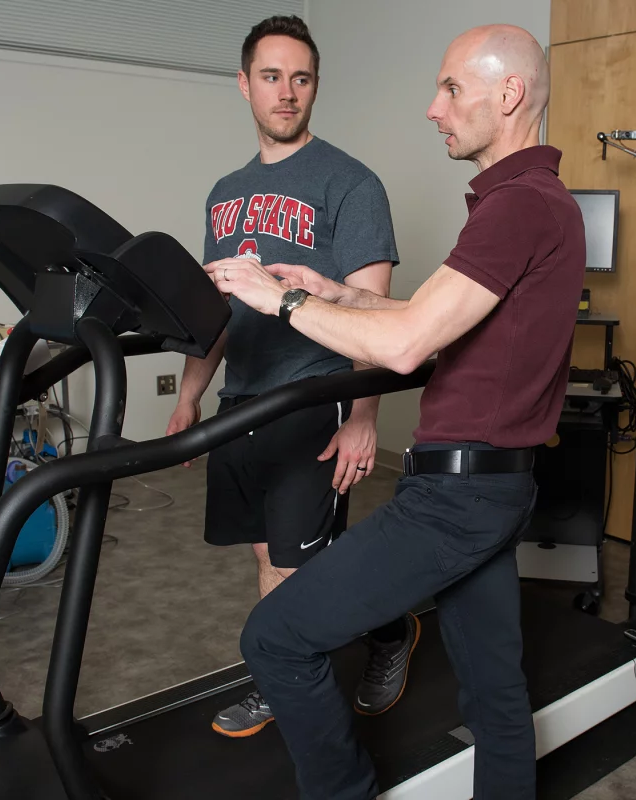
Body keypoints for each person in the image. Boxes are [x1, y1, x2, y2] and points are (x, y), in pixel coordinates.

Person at [206, 23, 585, 800]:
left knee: (273, 638)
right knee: (493, 690)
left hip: (457, 499)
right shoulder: (528, 203)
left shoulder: (519, 207)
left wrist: (280, 299)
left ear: (508, 95)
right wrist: (336, 291)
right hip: (492, 486)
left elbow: (409, 344)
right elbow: (437, 318)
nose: (433, 108)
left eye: (451, 89)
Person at [165, 15, 421, 739]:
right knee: (274, 556)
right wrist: (189, 394)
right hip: (239, 402)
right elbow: (212, 311)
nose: (287, 92)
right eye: (272, 77)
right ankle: (388, 630)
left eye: (301, 78)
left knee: (293, 565)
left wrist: (364, 417)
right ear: (245, 84)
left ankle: (279, 682)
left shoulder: (351, 183)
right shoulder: (224, 192)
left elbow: (372, 311)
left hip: (313, 399)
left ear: (315, 87)